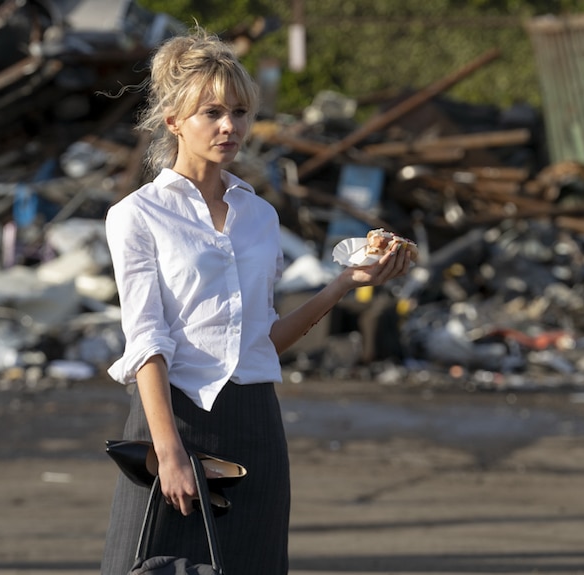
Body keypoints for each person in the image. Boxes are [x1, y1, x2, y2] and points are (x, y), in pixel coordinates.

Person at [100, 26, 413, 575]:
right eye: (212, 112)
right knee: (150, 564)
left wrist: (344, 285)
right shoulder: (137, 215)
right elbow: (146, 340)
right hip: (174, 419)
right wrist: (168, 453)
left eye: (240, 112)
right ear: (174, 121)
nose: (230, 126)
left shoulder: (260, 217)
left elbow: (262, 340)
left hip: (255, 422)